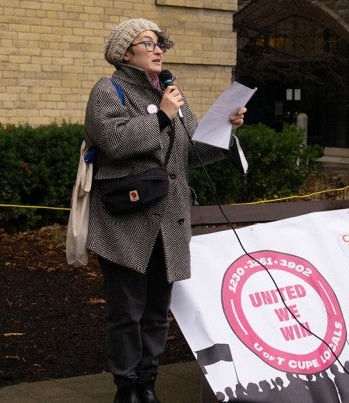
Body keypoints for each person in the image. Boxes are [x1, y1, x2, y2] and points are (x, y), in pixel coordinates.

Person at [83, 18, 247, 402]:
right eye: (148, 43)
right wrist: (161, 116)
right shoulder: (108, 90)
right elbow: (114, 141)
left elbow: (193, 152)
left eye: (160, 45)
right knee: (127, 312)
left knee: (158, 310)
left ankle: (148, 383)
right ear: (126, 53)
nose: (158, 50)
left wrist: (226, 126)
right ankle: (127, 387)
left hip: (169, 221)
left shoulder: (170, 93)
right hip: (125, 223)